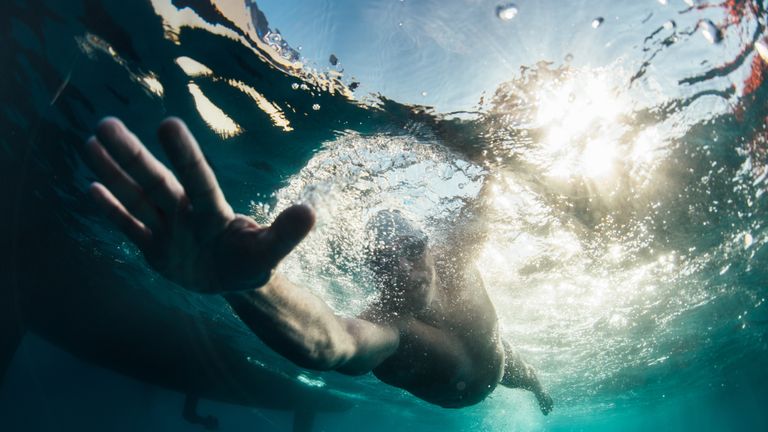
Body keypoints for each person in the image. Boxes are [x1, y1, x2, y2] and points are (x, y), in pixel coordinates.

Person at [82, 117, 553, 414]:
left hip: (497, 359)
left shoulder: (459, 249)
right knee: (498, 363)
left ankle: (540, 392)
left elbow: (496, 173)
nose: (406, 269)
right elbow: (332, 344)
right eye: (386, 263)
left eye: (411, 249)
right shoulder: (392, 324)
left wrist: (499, 133)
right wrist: (245, 285)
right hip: (458, 392)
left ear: (429, 243)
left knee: (515, 366)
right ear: (374, 275)